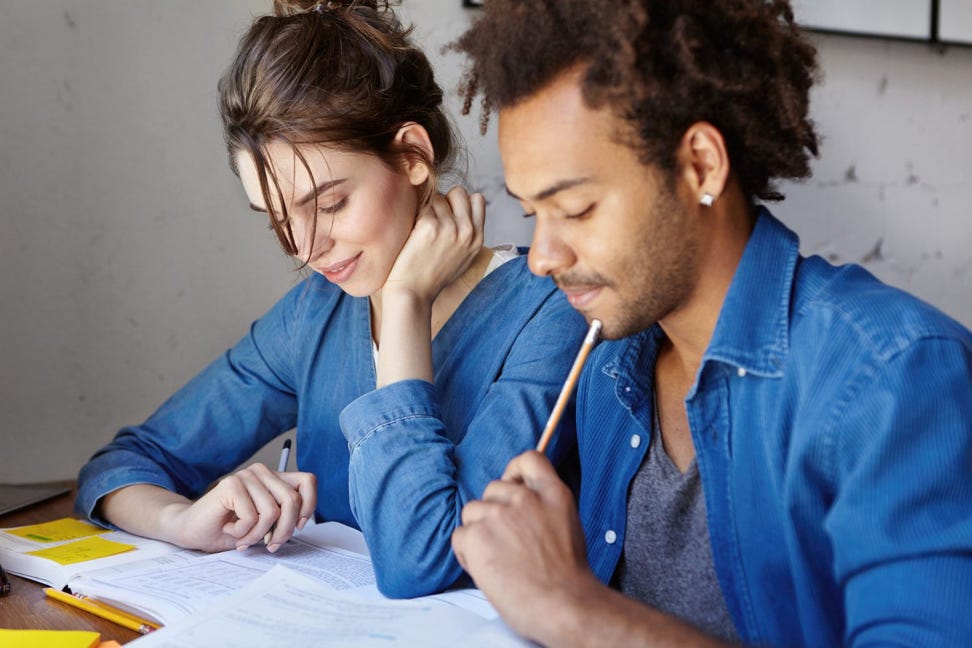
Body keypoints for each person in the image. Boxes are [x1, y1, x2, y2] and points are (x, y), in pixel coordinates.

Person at [449, 1, 972, 645]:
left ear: (700, 164)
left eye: (576, 209)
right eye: (533, 213)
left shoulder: (897, 376)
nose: (543, 258)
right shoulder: (611, 361)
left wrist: (574, 609)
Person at [75, 0, 587, 599]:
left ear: (412, 156)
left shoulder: (550, 314)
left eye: (329, 203)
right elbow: (121, 466)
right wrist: (179, 521)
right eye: (276, 219)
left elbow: (420, 561)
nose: (305, 247)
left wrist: (402, 308)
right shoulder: (315, 314)